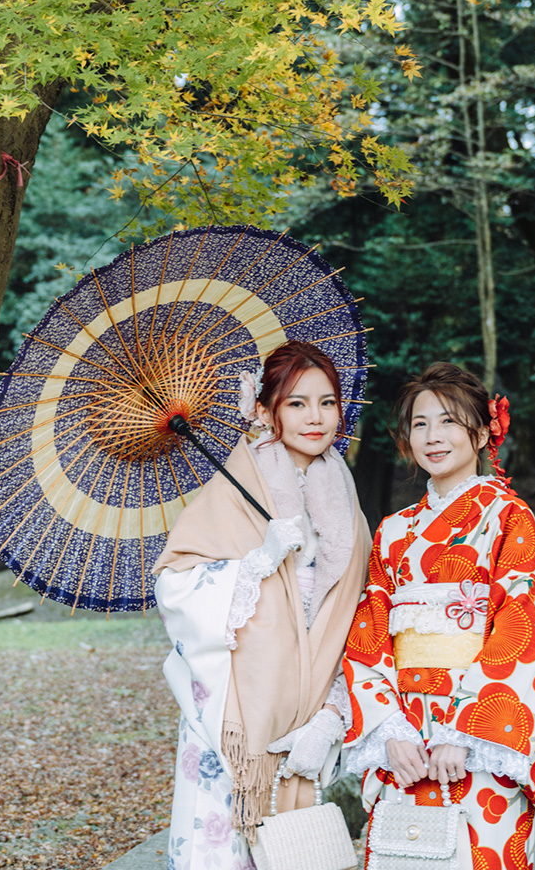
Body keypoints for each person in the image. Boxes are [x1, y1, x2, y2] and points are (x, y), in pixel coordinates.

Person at [153, 340, 371, 870]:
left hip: (308, 712)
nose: (315, 418)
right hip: (236, 713)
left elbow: (360, 611)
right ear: (266, 409)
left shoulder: (343, 493)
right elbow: (175, 585)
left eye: (327, 402)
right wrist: (256, 561)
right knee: (223, 849)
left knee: (296, 852)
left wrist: (330, 716)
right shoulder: (235, 483)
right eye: (297, 403)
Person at [343, 362, 535, 870]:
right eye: (420, 424)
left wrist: (464, 731)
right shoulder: (395, 530)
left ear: (483, 432)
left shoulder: (509, 518)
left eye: (448, 421)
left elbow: (525, 629)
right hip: (407, 733)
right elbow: (369, 632)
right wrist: (390, 731)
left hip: (477, 729)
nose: (432, 436)